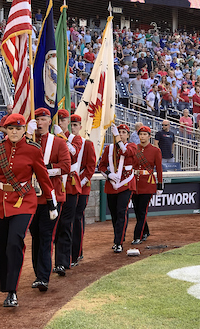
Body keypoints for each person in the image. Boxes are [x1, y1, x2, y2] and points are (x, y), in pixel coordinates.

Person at [0, 113, 58, 308]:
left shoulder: (33, 150)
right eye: (10, 128)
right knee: (3, 246)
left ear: (24, 130)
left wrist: (51, 203)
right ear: (5, 129)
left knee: (14, 241)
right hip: (0, 204)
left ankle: (12, 291)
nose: (14, 132)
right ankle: (6, 287)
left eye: (18, 128)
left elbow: (44, 178)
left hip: (25, 201)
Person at [28, 108, 71, 291]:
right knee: (35, 236)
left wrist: (45, 170)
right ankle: (38, 271)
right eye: (37, 118)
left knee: (46, 236)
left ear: (49, 122)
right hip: (31, 197)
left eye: (43, 118)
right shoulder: (28, 142)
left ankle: (43, 277)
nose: (39, 122)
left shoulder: (58, 143)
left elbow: (66, 166)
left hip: (51, 195)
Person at [52, 108, 82, 275]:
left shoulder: (74, 139)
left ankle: (63, 261)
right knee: (53, 225)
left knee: (66, 224)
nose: (60, 123)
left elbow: (74, 153)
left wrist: (62, 137)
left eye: (63, 120)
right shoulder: (51, 140)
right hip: (55, 185)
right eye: (58, 120)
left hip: (69, 185)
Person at [98, 123, 137, 253]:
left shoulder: (132, 146)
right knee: (114, 214)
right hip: (112, 185)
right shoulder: (109, 149)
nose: (121, 134)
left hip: (126, 184)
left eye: (123, 133)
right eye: (119, 132)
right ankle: (119, 236)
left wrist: (118, 139)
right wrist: (109, 175)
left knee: (121, 212)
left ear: (128, 135)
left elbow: (126, 152)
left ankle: (118, 242)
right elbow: (101, 166)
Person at [70, 114, 96, 265]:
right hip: (66, 187)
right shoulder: (63, 142)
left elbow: (91, 167)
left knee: (77, 218)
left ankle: (77, 253)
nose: (73, 128)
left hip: (82, 187)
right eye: (71, 125)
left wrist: (80, 182)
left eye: (75, 125)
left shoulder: (87, 144)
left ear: (80, 127)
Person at [132, 125, 163, 246]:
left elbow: (159, 169)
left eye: (145, 134)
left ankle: (137, 236)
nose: (142, 137)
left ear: (149, 136)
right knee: (137, 210)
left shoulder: (155, 150)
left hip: (148, 183)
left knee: (142, 211)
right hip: (135, 183)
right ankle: (146, 231)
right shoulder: (134, 148)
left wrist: (160, 185)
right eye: (140, 134)